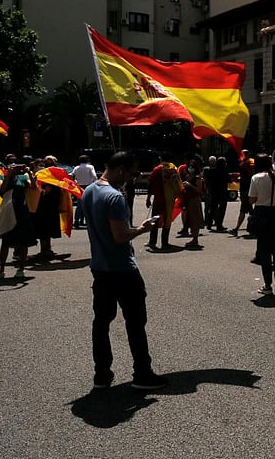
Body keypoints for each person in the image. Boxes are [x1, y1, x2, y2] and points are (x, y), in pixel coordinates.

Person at [81, 151, 166, 390]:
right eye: (131, 173)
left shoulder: (90, 191)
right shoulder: (114, 197)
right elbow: (121, 236)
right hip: (122, 269)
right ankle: (142, 373)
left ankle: (102, 374)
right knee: (135, 322)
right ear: (121, 170)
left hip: (100, 267)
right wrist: (142, 228)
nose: (132, 178)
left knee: (102, 322)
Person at [249, 153, 275, 296]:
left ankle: (267, 285)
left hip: (262, 215)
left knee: (265, 253)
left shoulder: (256, 178)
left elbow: (252, 200)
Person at [0, 160, 37, 279]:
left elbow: (33, 186)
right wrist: (9, 174)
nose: (16, 168)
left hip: (22, 211)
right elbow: (2, 188)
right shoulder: (2, 176)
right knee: (5, 241)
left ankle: (21, 269)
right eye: (13, 166)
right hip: (8, 211)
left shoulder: (23, 177)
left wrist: (29, 173)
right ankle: (1, 270)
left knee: (23, 241)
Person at [145, 155, 181, 251]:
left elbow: (151, 184)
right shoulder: (173, 169)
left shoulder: (157, 169)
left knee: (155, 219)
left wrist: (148, 198)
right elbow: (178, 183)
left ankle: (152, 241)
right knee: (167, 219)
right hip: (170, 198)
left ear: (161, 160)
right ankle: (165, 242)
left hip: (159, 198)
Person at [33, 155, 63, 259]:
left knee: (46, 228)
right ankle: (45, 249)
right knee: (45, 228)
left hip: (48, 204)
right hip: (47, 205)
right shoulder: (48, 173)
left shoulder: (50, 173)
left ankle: (46, 249)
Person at [229, 150, 255, 236]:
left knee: (243, 209)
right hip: (248, 188)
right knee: (250, 210)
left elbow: (248, 175)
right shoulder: (248, 163)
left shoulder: (245, 164)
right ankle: (255, 227)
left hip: (245, 189)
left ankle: (236, 229)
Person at [180, 156, 205, 248]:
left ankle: (195, 239)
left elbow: (199, 190)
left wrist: (189, 185)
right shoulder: (187, 176)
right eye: (189, 166)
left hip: (194, 200)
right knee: (189, 218)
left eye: (192, 166)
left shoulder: (198, 178)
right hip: (187, 199)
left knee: (195, 218)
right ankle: (193, 238)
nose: (190, 168)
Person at [71, 155, 97, 228]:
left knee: (79, 205)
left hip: (79, 186)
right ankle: (89, 221)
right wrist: (96, 182)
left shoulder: (76, 168)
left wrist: (75, 182)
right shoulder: (90, 167)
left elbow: (72, 175)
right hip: (88, 186)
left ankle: (77, 220)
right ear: (87, 160)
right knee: (89, 204)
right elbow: (94, 176)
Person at [207, 156, 230, 231]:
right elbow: (229, 180)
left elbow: (208, 180)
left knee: (213, 208)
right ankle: (219, 225)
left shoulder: (211, 170)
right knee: (222, 209)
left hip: (213, 191)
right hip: (222, 192)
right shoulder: (224, 171)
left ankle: (209, 223)